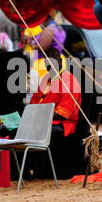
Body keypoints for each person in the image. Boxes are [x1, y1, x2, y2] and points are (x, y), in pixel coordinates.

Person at [28, 47, 81, 179]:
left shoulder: (69, 80)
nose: (48, 66)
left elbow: (64, 113)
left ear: (59, 63)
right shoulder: (46, 78)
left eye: (51, 63)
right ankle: (25, 171)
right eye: (46, 63)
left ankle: (43, 172)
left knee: (40, 131)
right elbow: (34, 103)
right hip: (43, 121)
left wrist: (40, 116)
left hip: (63, 124)